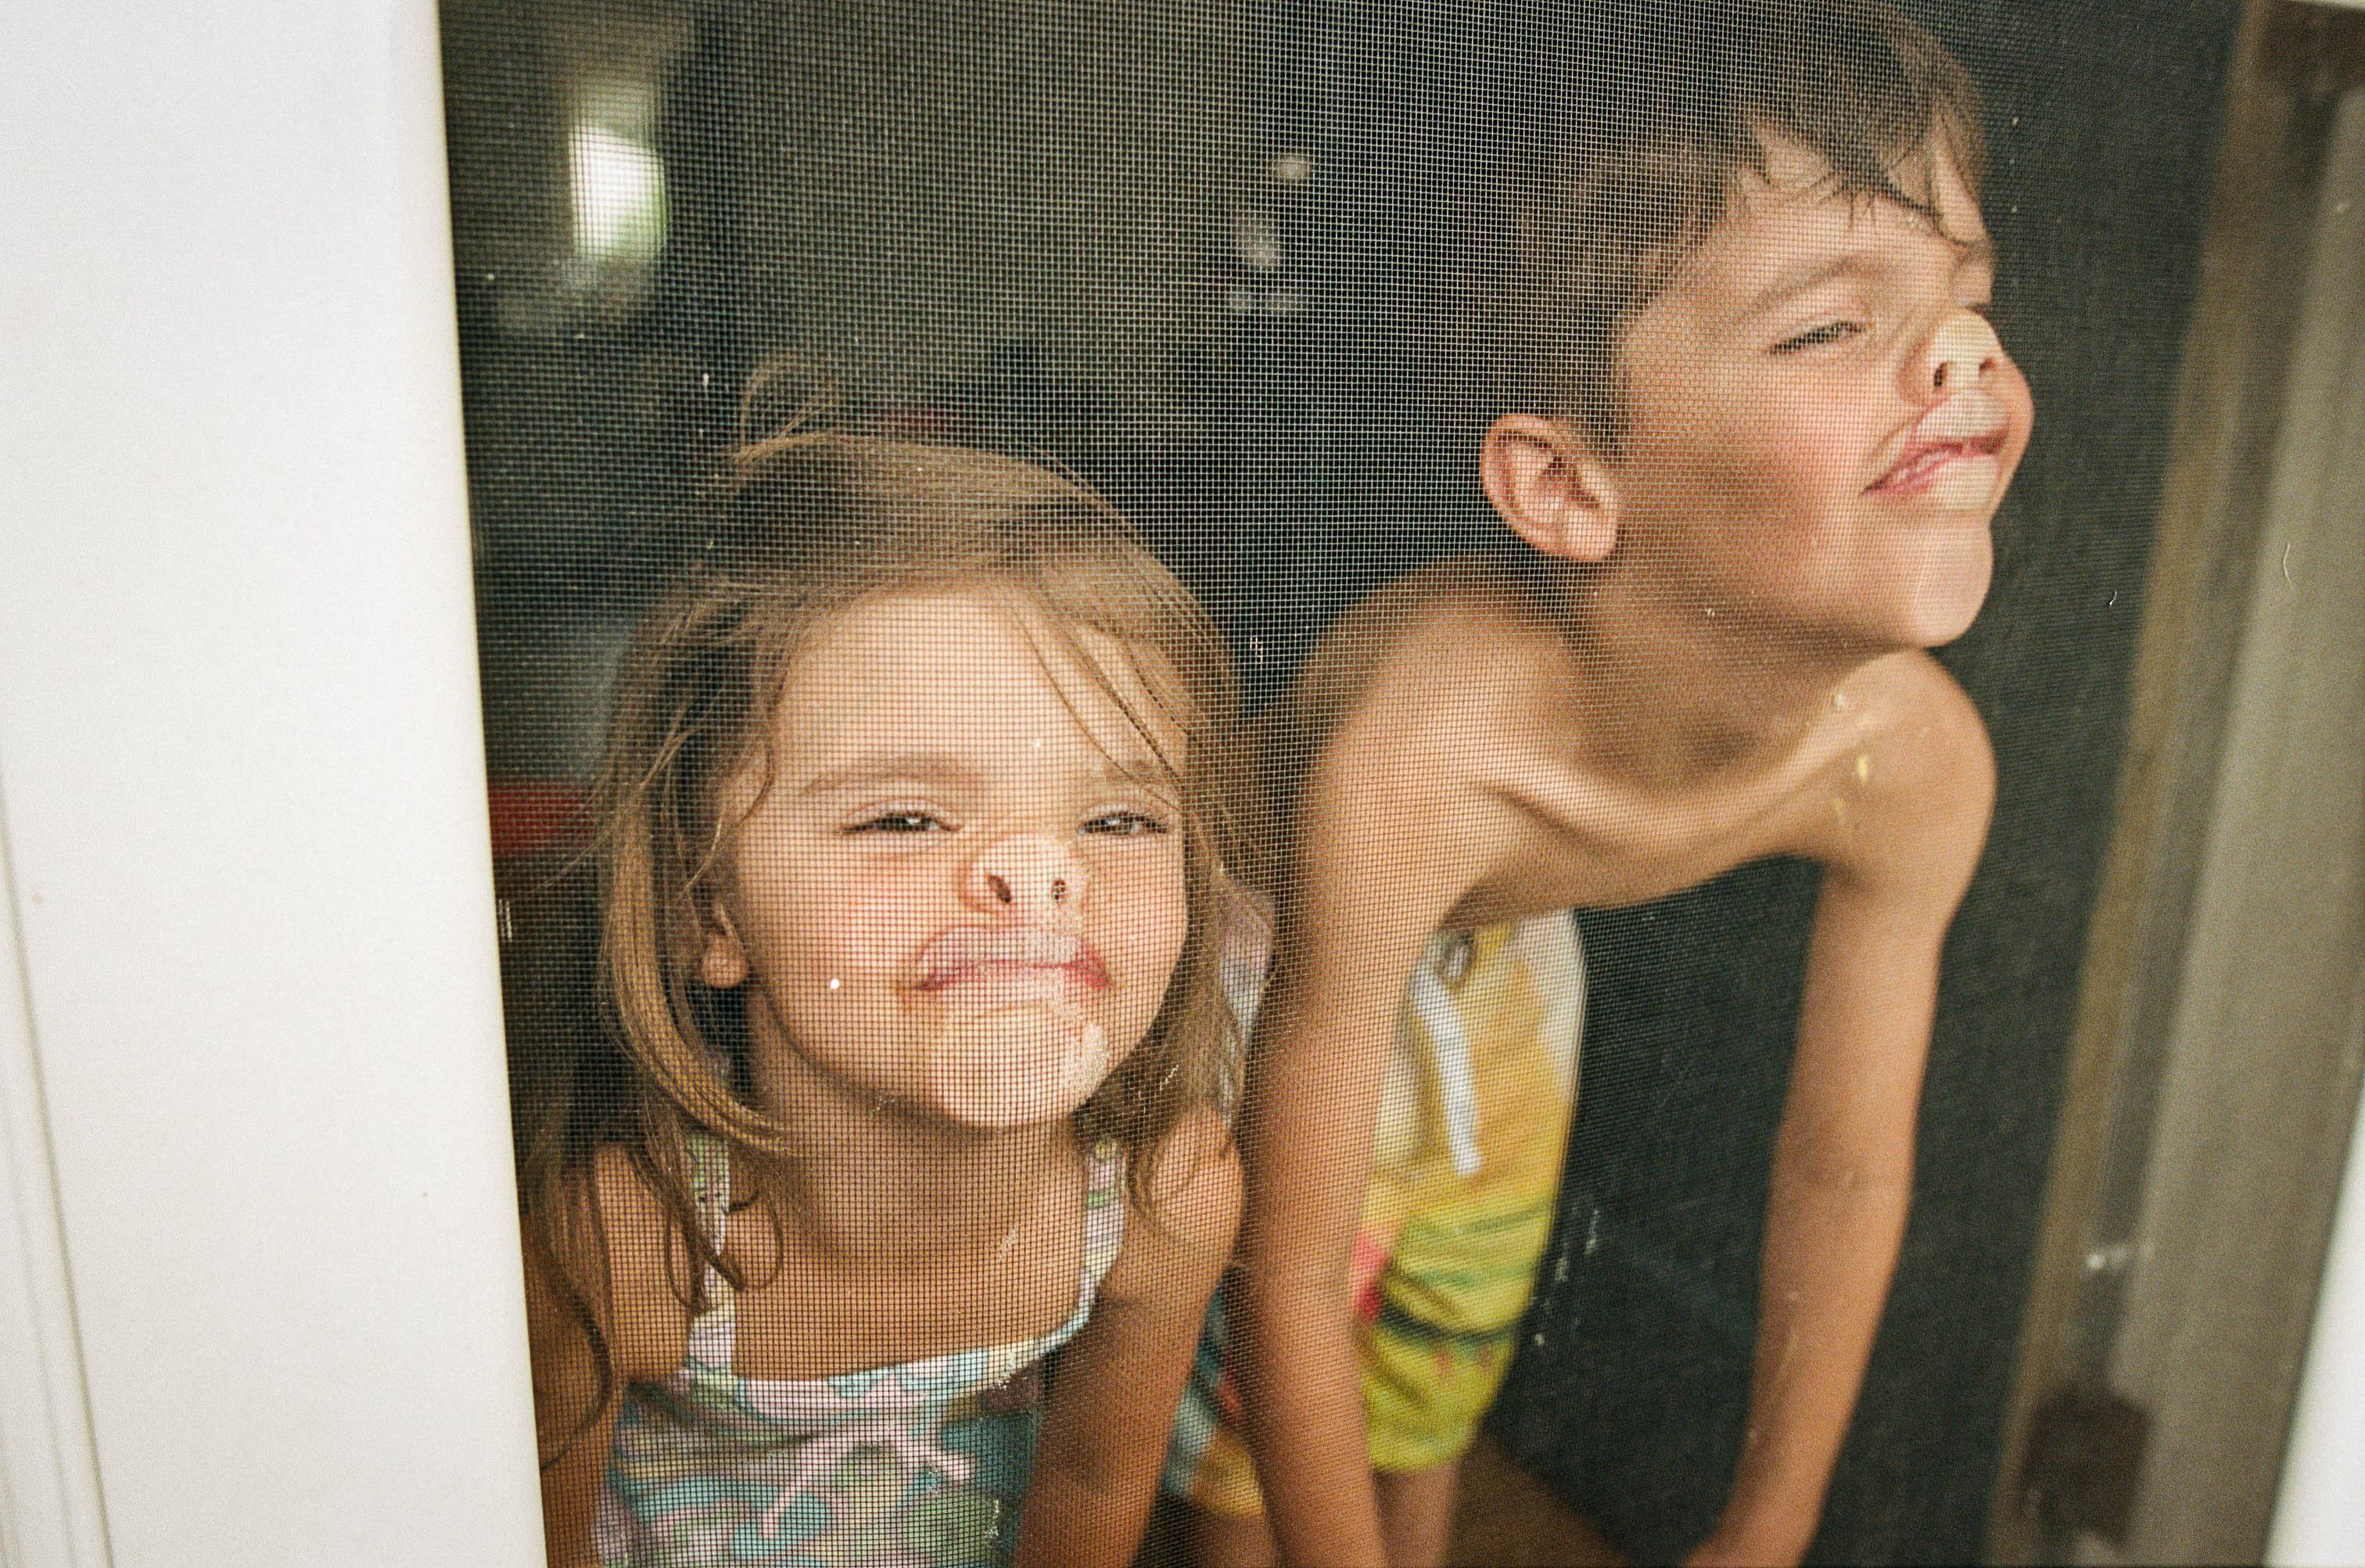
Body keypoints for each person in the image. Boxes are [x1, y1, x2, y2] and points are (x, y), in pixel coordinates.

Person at [1169, 2, 2033, 1563]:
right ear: (1569, 484)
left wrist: (1763, 1535)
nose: (1962, 359)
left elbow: (1844, 1164)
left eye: (1965, 302)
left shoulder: (1911, 766)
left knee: (1441, 1353)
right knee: (1253, 1460)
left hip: (1503, 944)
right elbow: (1279, 1268)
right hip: (1254, 941)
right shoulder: (1417, 765)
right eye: (1834, 326)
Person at [515, 414, 1246, 1568]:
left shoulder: (1163, 1196)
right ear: (707, 909)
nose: (1043, 871)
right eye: (905, 817)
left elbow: (1098, 1487)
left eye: (1118, 818)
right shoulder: (631, 1239)